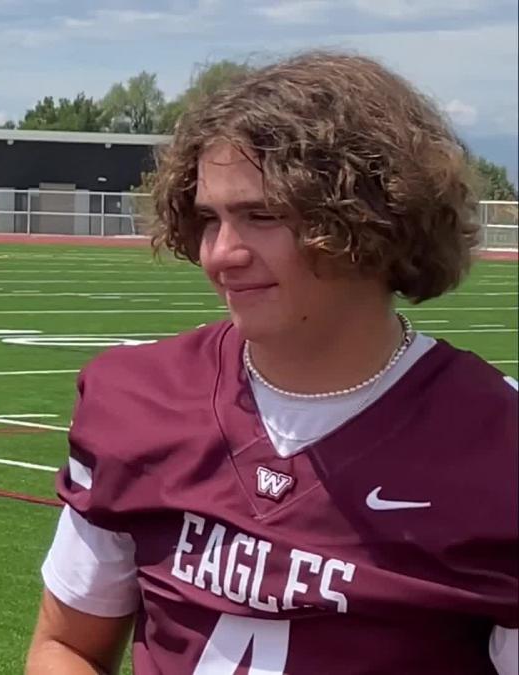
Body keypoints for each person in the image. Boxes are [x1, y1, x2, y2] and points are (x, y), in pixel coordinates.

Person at [26, 50, 518, 674]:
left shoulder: (498, 442)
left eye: (262, 216)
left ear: (371, 218)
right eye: (210, 219)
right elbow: (66, 646)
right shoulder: (136, 398)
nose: (222, 254)